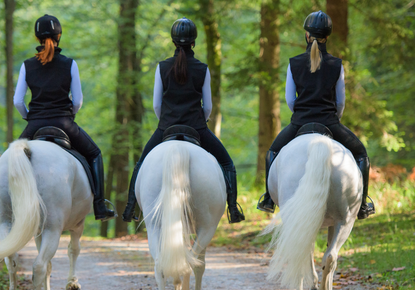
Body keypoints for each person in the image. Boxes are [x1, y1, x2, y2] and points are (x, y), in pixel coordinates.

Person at [122, 17, 246, 224]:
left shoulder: (161, 67)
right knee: (227, 163)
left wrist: (166, 122)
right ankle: (233, 209)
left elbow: (156, 105)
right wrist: (200, 122)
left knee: (141, 164)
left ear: (173, 41)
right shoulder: (202, 69)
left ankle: (129, 209)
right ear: (193, 42)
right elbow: (207, 107)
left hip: (166, 127)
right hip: (196, 127)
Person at [256, 10, 375, 219]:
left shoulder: (294, 63)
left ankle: (268, 198)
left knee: (272, 153)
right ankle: (363, 204)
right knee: (361, 153)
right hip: (330, 122)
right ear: (326, 37)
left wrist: (302, 114)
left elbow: (290, 100)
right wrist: (334, 118)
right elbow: (340, 102)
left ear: (307, 35)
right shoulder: (336, 65)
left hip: (300, 122)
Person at [13, 14, 116, 221]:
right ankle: (99, 206)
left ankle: (11, 209)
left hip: (35, 125)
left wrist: (30, 118)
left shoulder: (27, 65)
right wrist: (70, 115)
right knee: (95, 153)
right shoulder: (70, 64)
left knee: (10, 159)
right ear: (59, 36)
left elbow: (17, 101)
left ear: (37, 38)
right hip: (64, 123)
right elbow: (77, 101)